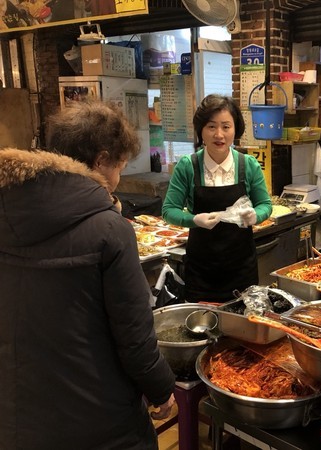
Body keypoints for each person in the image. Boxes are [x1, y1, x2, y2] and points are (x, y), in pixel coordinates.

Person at [0, 100, 176, 450]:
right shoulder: (109, 228)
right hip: (99, 420)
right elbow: (134, 338)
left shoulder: (8, 207)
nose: (118, 179)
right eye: (120, 167)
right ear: (100, 161)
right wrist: (162, 391)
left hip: (16, 416)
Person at [162, 94, 272, 302]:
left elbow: (265, 205)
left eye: (226, 127)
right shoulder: (188, 166)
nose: (219, 134)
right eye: (211, 127)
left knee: (243, 326)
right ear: (201, 130)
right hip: (201, 270)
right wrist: (194, 220)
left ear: (235, 130)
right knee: (202, 326)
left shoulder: (248, 165)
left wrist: (255, 216)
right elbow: (169, 210)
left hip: (242, 268)